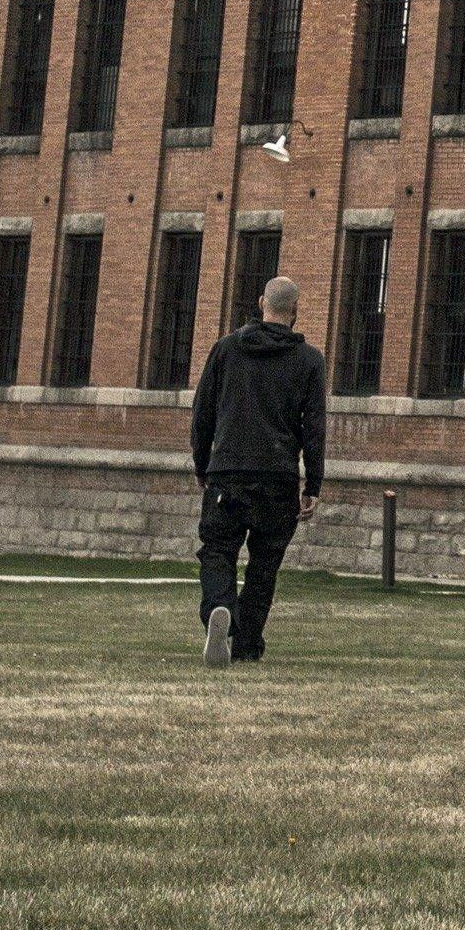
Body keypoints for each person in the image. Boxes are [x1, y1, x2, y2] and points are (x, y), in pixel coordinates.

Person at [190, 274, 328, 667]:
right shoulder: (309, 360)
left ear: (260, 303)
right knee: (264, 566)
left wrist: (203, 463)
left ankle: (219, 608)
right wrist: (312, 483)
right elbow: (314, 426)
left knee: (217, 551)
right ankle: (247, 645)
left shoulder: (227, 349)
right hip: (278, 476)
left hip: (228, 471)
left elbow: (203, 413)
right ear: (295, 312)